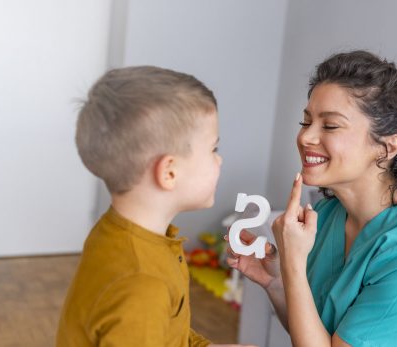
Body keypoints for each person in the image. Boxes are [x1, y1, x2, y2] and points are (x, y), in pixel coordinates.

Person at [227, 51, 397, 347]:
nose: (305, 137)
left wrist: (294, 264)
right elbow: (316, 336)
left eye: (330, 125)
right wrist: (276, 282)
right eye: (306, 121)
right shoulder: (328, 215)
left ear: (387, 147)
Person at [57, 66, 254, 347]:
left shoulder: (119, 233)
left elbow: (166, 334)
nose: (219, 161)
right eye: (214, 150)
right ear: (169, 172)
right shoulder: (141, 284)